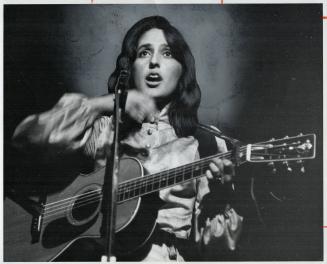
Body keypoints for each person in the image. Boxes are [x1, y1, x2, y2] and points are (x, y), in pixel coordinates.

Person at [12, 16, 243, 261]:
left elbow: (210, 246)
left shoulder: (207, 142)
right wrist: (105, 104)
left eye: (167, 53)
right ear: (129, 67)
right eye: (144, 53)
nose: (154, 62)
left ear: (182, 69)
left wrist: (219, 197)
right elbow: (27, 138)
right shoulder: (104, 129)